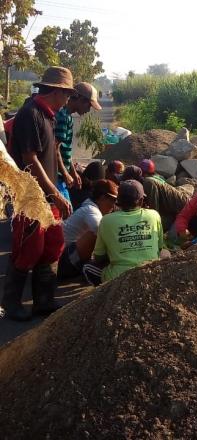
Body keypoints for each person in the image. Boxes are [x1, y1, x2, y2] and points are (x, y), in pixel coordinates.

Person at [1, 66, 75, 321]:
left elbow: (50, 152)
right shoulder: (29, 114)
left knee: (54, 245)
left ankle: (44, 301)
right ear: (56, 91)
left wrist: (62, 177)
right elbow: (29, 158)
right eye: (67, 94)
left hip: (47, 194)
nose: (68, 99)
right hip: (31, 195)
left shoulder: (49, 116)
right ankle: (11, 303)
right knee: (29, 248)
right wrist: (55, 192)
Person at [83, 180, 164, 286]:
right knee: (165, 254)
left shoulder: (106, 220)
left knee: (87, 268)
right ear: (141, 201)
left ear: (118, 200)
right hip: (150, 274)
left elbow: (99, 257)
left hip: (118, 279)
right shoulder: (154, 215)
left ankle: (102, 296)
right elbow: (159, 248)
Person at [58, 179, 118, 279]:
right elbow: (102, 232)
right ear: (102, 198)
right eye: (113, 200)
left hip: (67, 256)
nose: (114, 205)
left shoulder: (91, 206)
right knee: (97, 233)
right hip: (64, 261)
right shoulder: (91, 210)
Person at [55, 82, 102, 204]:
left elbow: (66, 150)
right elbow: (55, 149)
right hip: (56, 175)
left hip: (62, 174)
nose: (89, 110)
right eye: (89, 105)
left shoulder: (68, 117)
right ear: (80, 99)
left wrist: (73, 172)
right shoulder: (62, 116)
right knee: (65, 211)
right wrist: (65, 173)